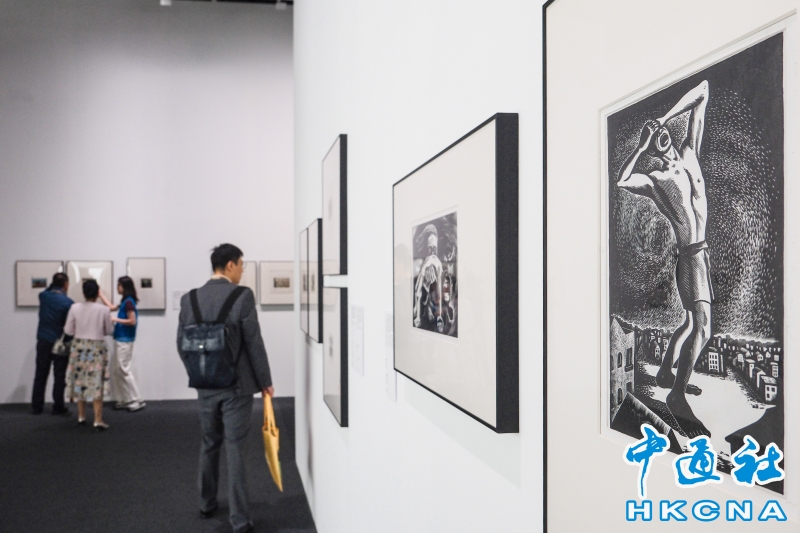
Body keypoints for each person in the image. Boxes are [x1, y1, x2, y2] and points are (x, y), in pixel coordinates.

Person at [616, 80, 712, 438]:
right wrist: (641, 147)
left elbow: (703, 90)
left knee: (689, 323)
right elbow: (623, 180)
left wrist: (665, 117)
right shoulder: (655, 179)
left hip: (702, 253)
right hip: (690, 256)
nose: (658, 134)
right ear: (652, 147)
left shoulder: (690, 151)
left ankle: (666, 374)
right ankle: (676, 396)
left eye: (660, 131)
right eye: (651, 135)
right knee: (703, 327)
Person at [177, 244, 273, 533]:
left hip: (204, 385)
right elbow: (253, 341)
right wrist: (265, 381)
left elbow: (181, 344)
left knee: (209, 443)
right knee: (235, 449)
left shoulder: (189, 299)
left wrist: (198, 373)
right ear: (230, 265)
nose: (243, 270)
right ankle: (240, 519)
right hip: (236, 386)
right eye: (241, 264)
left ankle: (206, 503)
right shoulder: (242, 296)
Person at [64, 279, 114, 430]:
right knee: (96, 382)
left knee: (80, 380)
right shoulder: (104, 310)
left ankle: (81, 415)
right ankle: (98, 419)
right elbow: (109, 331)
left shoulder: (74, 308)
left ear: (83, 293)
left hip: (79, 347)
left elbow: (68, 330)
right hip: (97, 347)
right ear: (97, 293)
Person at [100, 276, 146, 412]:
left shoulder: (129, 302)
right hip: (120, 339)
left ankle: (136, 399)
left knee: (124, 370)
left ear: (124, 287)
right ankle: (123, 399)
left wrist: (115, 319)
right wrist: (100, 294)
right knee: (116, 370)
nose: (117, 288)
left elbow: (132, 321)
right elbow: (111, 307)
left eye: (119, 285)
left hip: (125, 340)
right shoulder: (126, 301)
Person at [31, 272, 74, 415]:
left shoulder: (43, 296)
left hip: (43, 340)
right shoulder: (68, 303)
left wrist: (53, 285)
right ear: (65, 284)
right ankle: (58, 406)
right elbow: (69, 326)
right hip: (60, 342)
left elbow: (48, 289)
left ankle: (37, 406)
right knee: (59, 376)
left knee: (40, 374)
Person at [412, 224, 444, 332]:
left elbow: (439, 290)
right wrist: (417, 316)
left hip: (431, 297)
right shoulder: (425, 264)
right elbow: (418, 291)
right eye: (430, 248)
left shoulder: (437, 264)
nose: (432, 251)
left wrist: (439, 316)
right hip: (424, 298)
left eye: (434, 248)